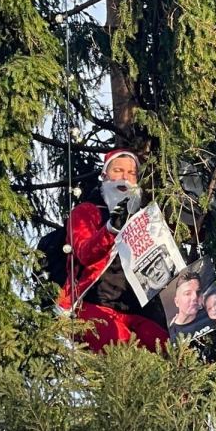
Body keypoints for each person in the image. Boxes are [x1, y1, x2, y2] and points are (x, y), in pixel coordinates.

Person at [56, 149, 168, 354]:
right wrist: (110, 229)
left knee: (167, 348)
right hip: (91, 305)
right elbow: (84, 253)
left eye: (131, 173)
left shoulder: (145, 217)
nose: (125, 177)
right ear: (104, 176)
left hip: (136, 310)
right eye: (118, 170)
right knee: (122, 348)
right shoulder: (87, 212)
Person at [169, 271, 204, 337]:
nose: (195, 297)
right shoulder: (173, 335)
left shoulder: (210, 315)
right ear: (177, 302)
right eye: (187, 293)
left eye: (198, 292)